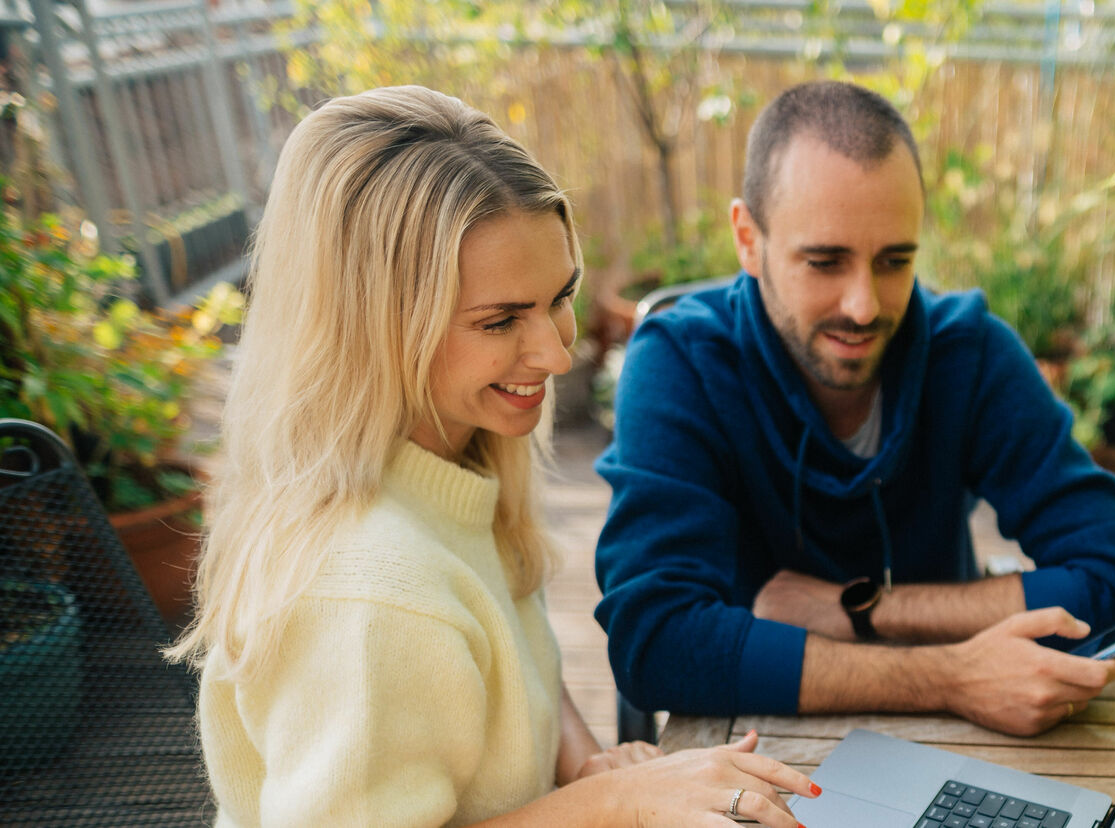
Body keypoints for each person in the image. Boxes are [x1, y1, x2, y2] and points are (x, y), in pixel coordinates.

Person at [166, 86, 817, 827]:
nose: (555, 350)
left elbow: (522, 652)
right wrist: (614, 802)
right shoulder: (369, 599)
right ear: (375, 326)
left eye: (559, 296)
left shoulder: (451, 454)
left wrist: (583, 765)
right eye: (500, 319)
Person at [594, 80, 1115, 737]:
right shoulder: (682, 361)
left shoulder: (969, 355)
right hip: (754, 744)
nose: (863, 306)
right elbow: (655, 642)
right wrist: (949, 677)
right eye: (826, 261)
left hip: (962, 742)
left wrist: (863, 609)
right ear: (748, 239)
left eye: (894, 261)